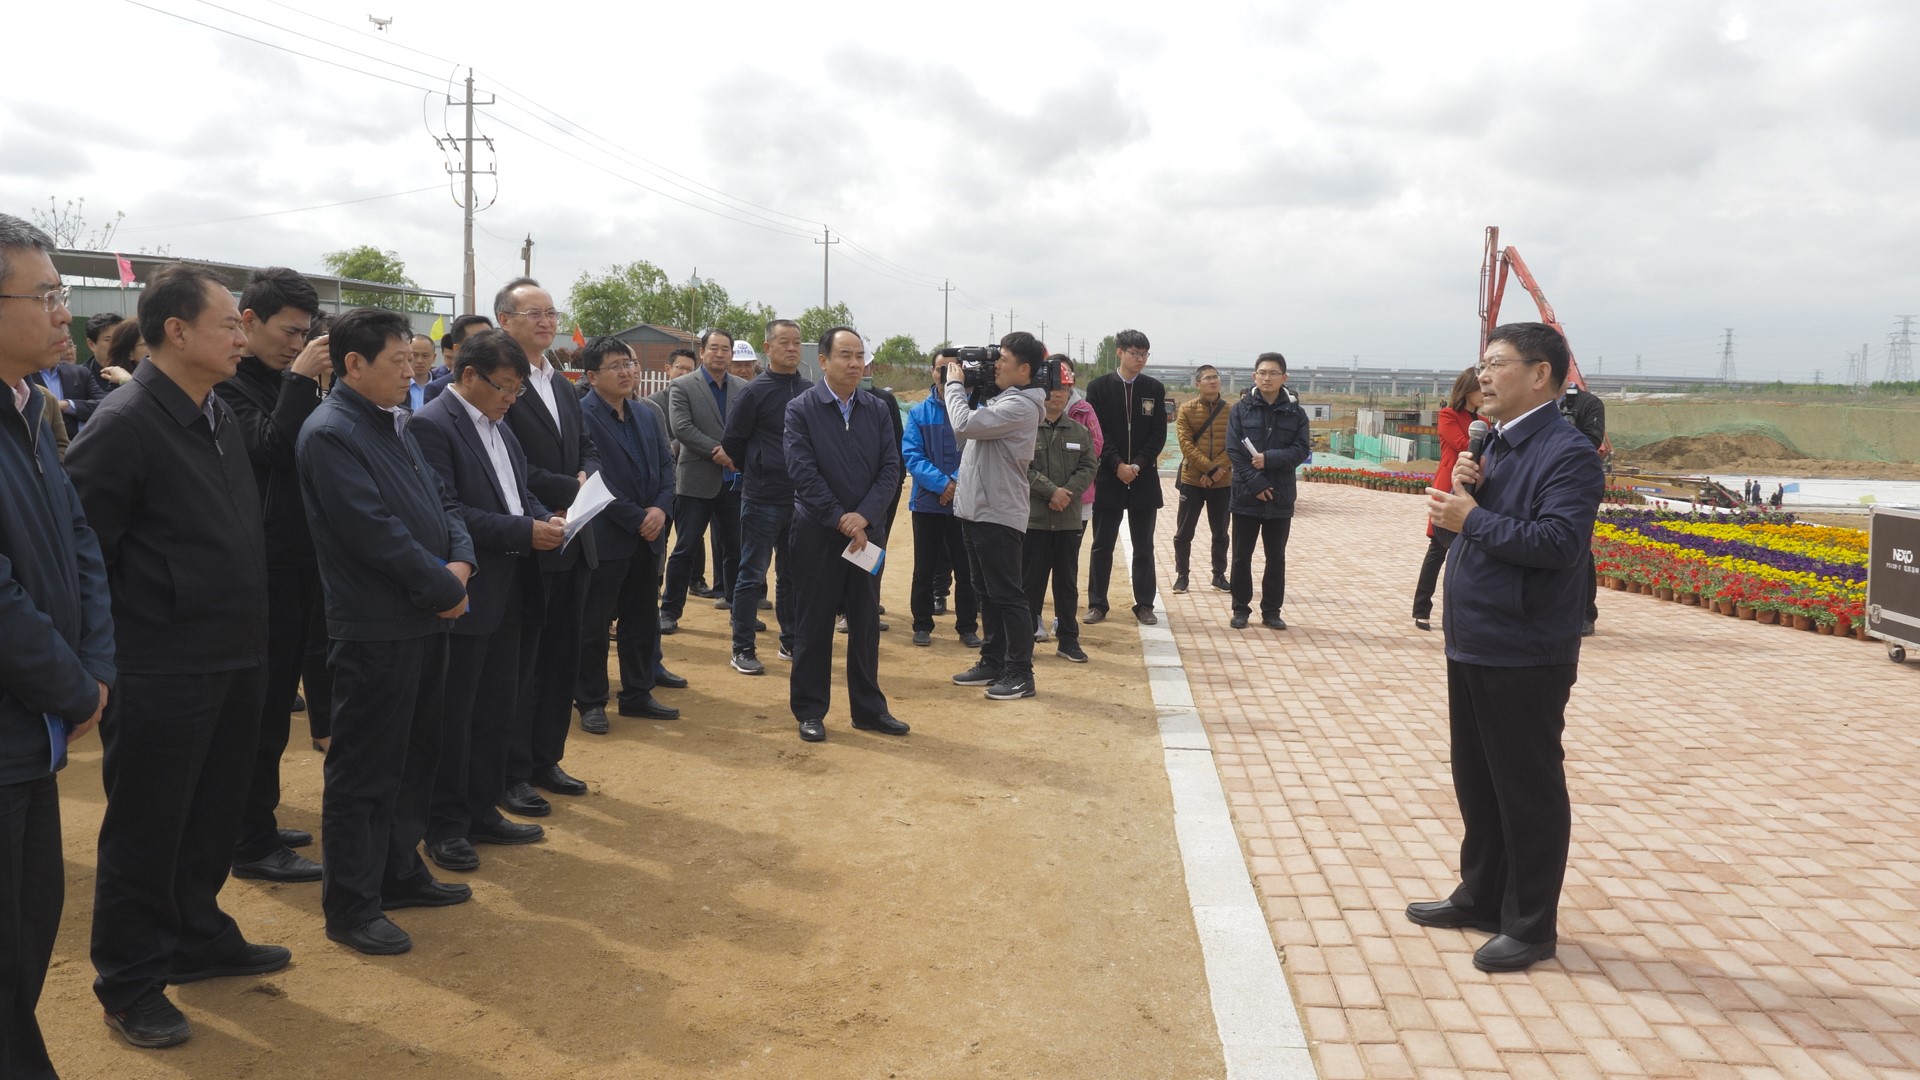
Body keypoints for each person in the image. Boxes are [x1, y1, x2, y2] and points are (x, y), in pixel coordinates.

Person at [68, 263, 285, 1048]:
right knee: (149, 829)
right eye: (228, 323)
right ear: (176, 331)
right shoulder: (125, 422)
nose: (241, 336)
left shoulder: (214, 409)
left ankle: (196, 934)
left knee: (211, 814)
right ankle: (130, 983)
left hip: (233, 652)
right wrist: (104, 660)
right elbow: (83, 550)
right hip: (161, 666)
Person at [1412, 321, 1606, 974]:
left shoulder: (1567, 453)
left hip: (1525, 648)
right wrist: (1470, 490)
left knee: (1526, 789)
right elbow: (1482, 530)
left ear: (1541, 374)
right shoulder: (1492, 442)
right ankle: (1481, 896)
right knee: (1478, 781)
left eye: (1497, 363)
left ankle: (1529, 925)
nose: (1484, 376)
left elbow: (1558, 544)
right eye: (1483, 364)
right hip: (1474, 638)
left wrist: (1471, 516)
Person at [297, 307, 477, 956]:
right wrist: (445, 588)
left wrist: (460, 563)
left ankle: (399, 872)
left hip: (424, 619)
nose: (412, 372)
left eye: (412, 360)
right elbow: (372, 533)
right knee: (365, 770)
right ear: (354, 364)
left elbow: (443, 501)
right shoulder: (331, 433)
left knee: (414, 756)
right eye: (399, 361)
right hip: (375, 628)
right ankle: (352, 904)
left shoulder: (392, 421)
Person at [0, 214, 114, 1078]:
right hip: (20, 717)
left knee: (32, 921)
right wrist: (74, 688)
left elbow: (80, 545)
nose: (62, 313)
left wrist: (94, 671)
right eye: (44, 296)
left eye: (60, 293)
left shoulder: (31, 409)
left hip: (32, 729)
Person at [410, 328, 558, 872]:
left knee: (497, 707)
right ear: (468, 374)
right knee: (455, 714)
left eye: (518, 389)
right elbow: (447, 513)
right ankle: (444, 825)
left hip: (512, 588)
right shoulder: (432, 426)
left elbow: (518, 493)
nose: (511, 398)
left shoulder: (500, 425)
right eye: (504, 387)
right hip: (468, 591)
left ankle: (481, 808)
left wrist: (545, 518)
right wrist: (525, 531)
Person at [216, 266, 332, 886]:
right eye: (289, 331)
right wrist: (299, 381)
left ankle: (255, 818)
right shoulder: (229, 384)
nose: (297, 343)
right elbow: (272, 448)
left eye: (305, 334)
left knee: (275, 705)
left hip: (298, 561)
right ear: (249, 320)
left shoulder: (279, 382)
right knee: (257, 711)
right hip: (263, 567)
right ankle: (249, 840)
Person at [496, 278, 598, 810]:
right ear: (504, 321)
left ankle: (545, 758)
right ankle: (511, 771)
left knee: (562, 657)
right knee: (523, 664)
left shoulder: (559, 381)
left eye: (551, 313)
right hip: (528, 538)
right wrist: (566, 490)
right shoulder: (498, 381)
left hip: (573, 537)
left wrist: (586, 478)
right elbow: (504, 462)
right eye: (533, 313)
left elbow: (586, 445)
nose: (546, 322)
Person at [784, 327, 905, 742]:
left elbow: (891, 468)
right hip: (818, 533)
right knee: (813, 623)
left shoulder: (877, 408)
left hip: (867, 535)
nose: (855, 364)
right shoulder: (801, 409)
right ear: (823, 361)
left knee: (866, 622)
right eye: (845, 355)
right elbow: (802, 472)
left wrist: (864, 517)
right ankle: (810, 709)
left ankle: (869, 709)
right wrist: (841, 518)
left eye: (859, 356)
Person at [574, 336, 679, 728]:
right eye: (616, 366)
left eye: (629, 364)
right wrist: (636, 516)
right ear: (592, 376)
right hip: (606, 536)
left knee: (641, 620)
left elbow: (666, 467)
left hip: (648, 536)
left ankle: (637, 693)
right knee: (594, 624)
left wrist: (660, 508)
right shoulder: (582, 416)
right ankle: (590, 701)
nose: (627, 372)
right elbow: (593, 479)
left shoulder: (647, 414)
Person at [944, 333, 1048, 700]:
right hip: (976, 510)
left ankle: (1020, 673)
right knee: (986, 592)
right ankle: (993, 660)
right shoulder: (1003, 399)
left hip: (998, 512)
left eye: (1002, 359)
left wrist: (954, 386)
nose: (995, 366)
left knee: (1007, 595)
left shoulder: (1020, 406)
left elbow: (963, 425)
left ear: (1024, 369)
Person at [720, 319, 810, 674]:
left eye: (797, 342)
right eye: (784, 342)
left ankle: (791, 640)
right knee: (751, 575)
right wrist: (759, 469)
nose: (792, 348)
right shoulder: (753, 392)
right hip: (761, 498)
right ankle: (742, 647)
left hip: (801, 500)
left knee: (792, 575)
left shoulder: (809, 390)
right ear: (767, 348)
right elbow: (732, 442)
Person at [660, 329, 747, 632]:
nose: (720, 354)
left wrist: (733, 455)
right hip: (696, 480)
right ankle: (669, 611)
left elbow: (750, 427)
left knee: (735, 550)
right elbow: (682, 428)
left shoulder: (744, 388)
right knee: (685, 548)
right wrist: (719, 452)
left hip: (734, 482)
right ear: (702, 352)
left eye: (726, 349)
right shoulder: (683, 385)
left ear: (731, 354)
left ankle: (739, 612)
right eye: (714, 348)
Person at [1084, 329, 1169, 625]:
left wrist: (1138, 465)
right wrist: (1118, 464)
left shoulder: (1154, 388)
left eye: (1144, 354)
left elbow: (1158, 433)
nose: (1140, 359)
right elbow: (1097, 432)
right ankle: (1097, 603)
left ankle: (1144, 604)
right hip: (1109, 476)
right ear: (1120, 352)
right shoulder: (1099, 387)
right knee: (1102, 544)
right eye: (1134, 353)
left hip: (1143, 478)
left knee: (1144, 546)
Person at [1224, 353, 1311, 630]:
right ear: (1254, 376)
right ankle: (1240, 609)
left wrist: (1269, 459)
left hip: (1280, 495)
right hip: (1246, 495)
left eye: (1273, 373)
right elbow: (1234, 450)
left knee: (1276, 558)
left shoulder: (1296, 413)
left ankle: (1272, 611)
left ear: (1284, 377)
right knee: (1241, 556)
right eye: (1262, 372)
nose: (1267, 378)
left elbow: (1301, 450)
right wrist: (1256, 482)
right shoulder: (1240, 410)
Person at [903, 351, 982, 648]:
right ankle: (922, 624)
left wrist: (956, 483)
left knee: (966, 568)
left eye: (954, 369)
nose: (947, 374)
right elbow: (912, 455)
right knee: (924, 567)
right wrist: (942, 484)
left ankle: (967, 626)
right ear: (933, 372)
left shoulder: (976, 411)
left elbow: (979, 452)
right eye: (941, 369)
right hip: (927, 504)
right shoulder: (918, 413)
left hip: (965, 502)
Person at [1024, 357, 1097, 664]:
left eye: (1064, 388)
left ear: (1070, 392)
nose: (1057, 393)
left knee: (1067, 584)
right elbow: (1021, 467)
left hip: (1068, 519)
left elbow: (1089, 466)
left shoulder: (1079, 432)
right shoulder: (1026, 428)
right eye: (1052, 387)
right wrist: (1050, 491)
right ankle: (1024, 640)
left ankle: (1068, 640)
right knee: (1030, 583)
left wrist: (1066, 493)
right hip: (1034, 520)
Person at [1412, 367, 1482, 631]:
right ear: (1468, 389)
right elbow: (1465, 446)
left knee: (1467, 553)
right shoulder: (1448, 415)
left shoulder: (1483, 421)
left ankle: (1465, 612)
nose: (1485, 393)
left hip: (1474, 489)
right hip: (1449, 487)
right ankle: (1422, 609)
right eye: (1480, 388)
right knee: (1438, 550)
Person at [1172, 364, 1232, 593]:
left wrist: (1217, 471)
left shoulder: (1231, 411)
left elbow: (1235, 445)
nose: (1213, 381)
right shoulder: (1186, 410)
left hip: (1222, 482)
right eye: (1207, 378)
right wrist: (1209, 470)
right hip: (1192, 480)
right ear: (1198, 383)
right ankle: (1182, 575)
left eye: (1216, 377)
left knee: (1221, 533)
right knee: (1184, 532)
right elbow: (1186, 444)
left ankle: (1219, 575)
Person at [1559, 382, 1606, 636]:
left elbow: (1593, 440)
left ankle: (1586, 612)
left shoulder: (1590, 403)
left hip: (1579, 479)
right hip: (1549, 477)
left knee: (1580, 548)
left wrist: (1562, 434)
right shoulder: (1544, 403)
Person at [33, 333, 108, 437]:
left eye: (69, 344)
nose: (67, 351)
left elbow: (105, 404)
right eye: (58, 343)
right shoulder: (23, 376)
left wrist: (68, 405)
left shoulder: (80, 373)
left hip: (79, 443)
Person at [423, 314, 493, 403]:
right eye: (479, 343)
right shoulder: (437, 390)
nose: (487, 348)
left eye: (491, 341)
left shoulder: (504, 384)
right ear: (457, 349)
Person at [82, 310, 124, 385]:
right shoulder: (81, 377)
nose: (116, 344)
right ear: (91, 344)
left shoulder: (136, 370)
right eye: (108, 340)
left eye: (119, 339)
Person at [404, 332, 436, 413]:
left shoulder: (442, 388)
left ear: (434, 357)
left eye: (425, 356)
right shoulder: (396, 385)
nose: (419, 361)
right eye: (414, 355)